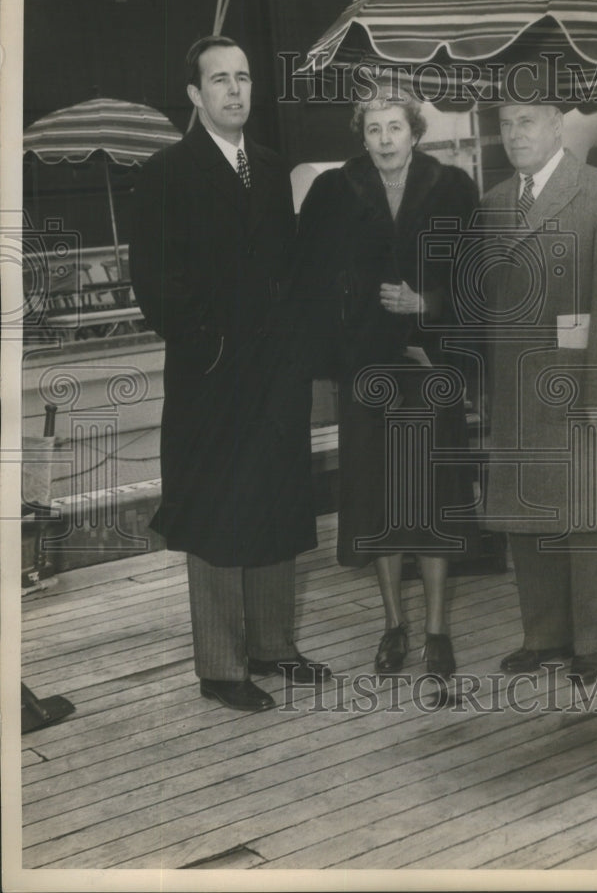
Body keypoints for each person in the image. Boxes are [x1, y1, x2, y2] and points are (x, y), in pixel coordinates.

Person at [129, 35, 330, 712]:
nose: (235, 90)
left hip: (275, 369)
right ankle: (220, 665)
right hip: (211, 373)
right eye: (220, 80)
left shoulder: (271, 168)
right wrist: (206, 343)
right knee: (217, 508)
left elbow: (293, 267)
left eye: (244, 77)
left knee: (277, 499)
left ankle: (273, 645)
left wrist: (297, 345)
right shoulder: (167, 173)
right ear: (194, 95)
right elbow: (154, 279)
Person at [295, 76, 480, 677]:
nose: (383, 139)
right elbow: (313, 283)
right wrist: (343, 349)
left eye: (394, 126)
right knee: (377, 498)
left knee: (433, 497)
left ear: (415, 130)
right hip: (367, 372)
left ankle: (436, 631)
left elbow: (478, 282)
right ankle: (393, 627)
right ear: (362, 135)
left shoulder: (453, 187)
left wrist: (426, 305)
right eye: (372, 129)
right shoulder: (331, 190)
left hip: (431, 368)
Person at [481, 94, 597, 684]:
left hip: (581, 387)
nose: (513, 134)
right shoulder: (496, 203)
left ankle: (589, 646)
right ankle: (543, 637)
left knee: (583, 518)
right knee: (527, 516)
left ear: (556, 126)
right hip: (517, 389)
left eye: (526, 122)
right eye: (504, 125)